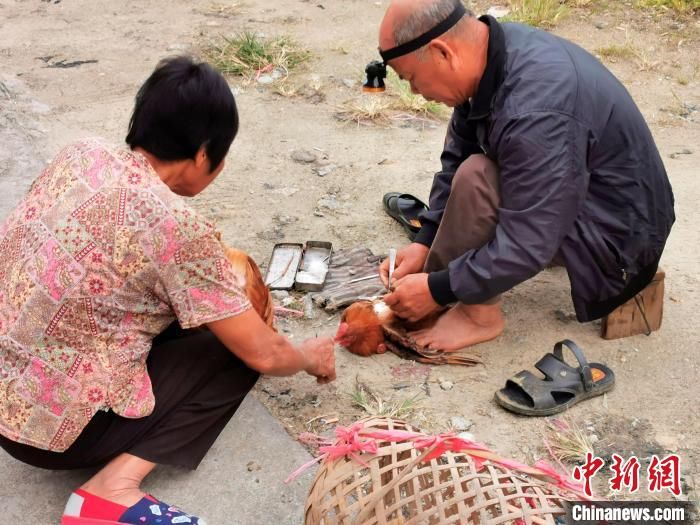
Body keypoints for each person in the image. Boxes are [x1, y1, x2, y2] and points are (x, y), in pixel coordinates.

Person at [0, 56, 336, 525]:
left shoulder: (81, 153)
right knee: (236, 350)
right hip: (56, 438)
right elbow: (267, 355)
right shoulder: (174, 225)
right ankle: (110, 489)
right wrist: (307, 356)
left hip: (6, 395)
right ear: (203, 153)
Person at [377, 0, 675, 351]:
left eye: (411, 78)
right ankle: (451, 283)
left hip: (619, 238)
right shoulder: (490, 52)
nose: (416, 92)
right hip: (580, 192)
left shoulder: (537, 109)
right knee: (471, 169)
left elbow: (529, 240)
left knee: (478, 179)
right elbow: (456, 157)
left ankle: (479, 317)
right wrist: (424, 240)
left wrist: (441, 288)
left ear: (442, 52)